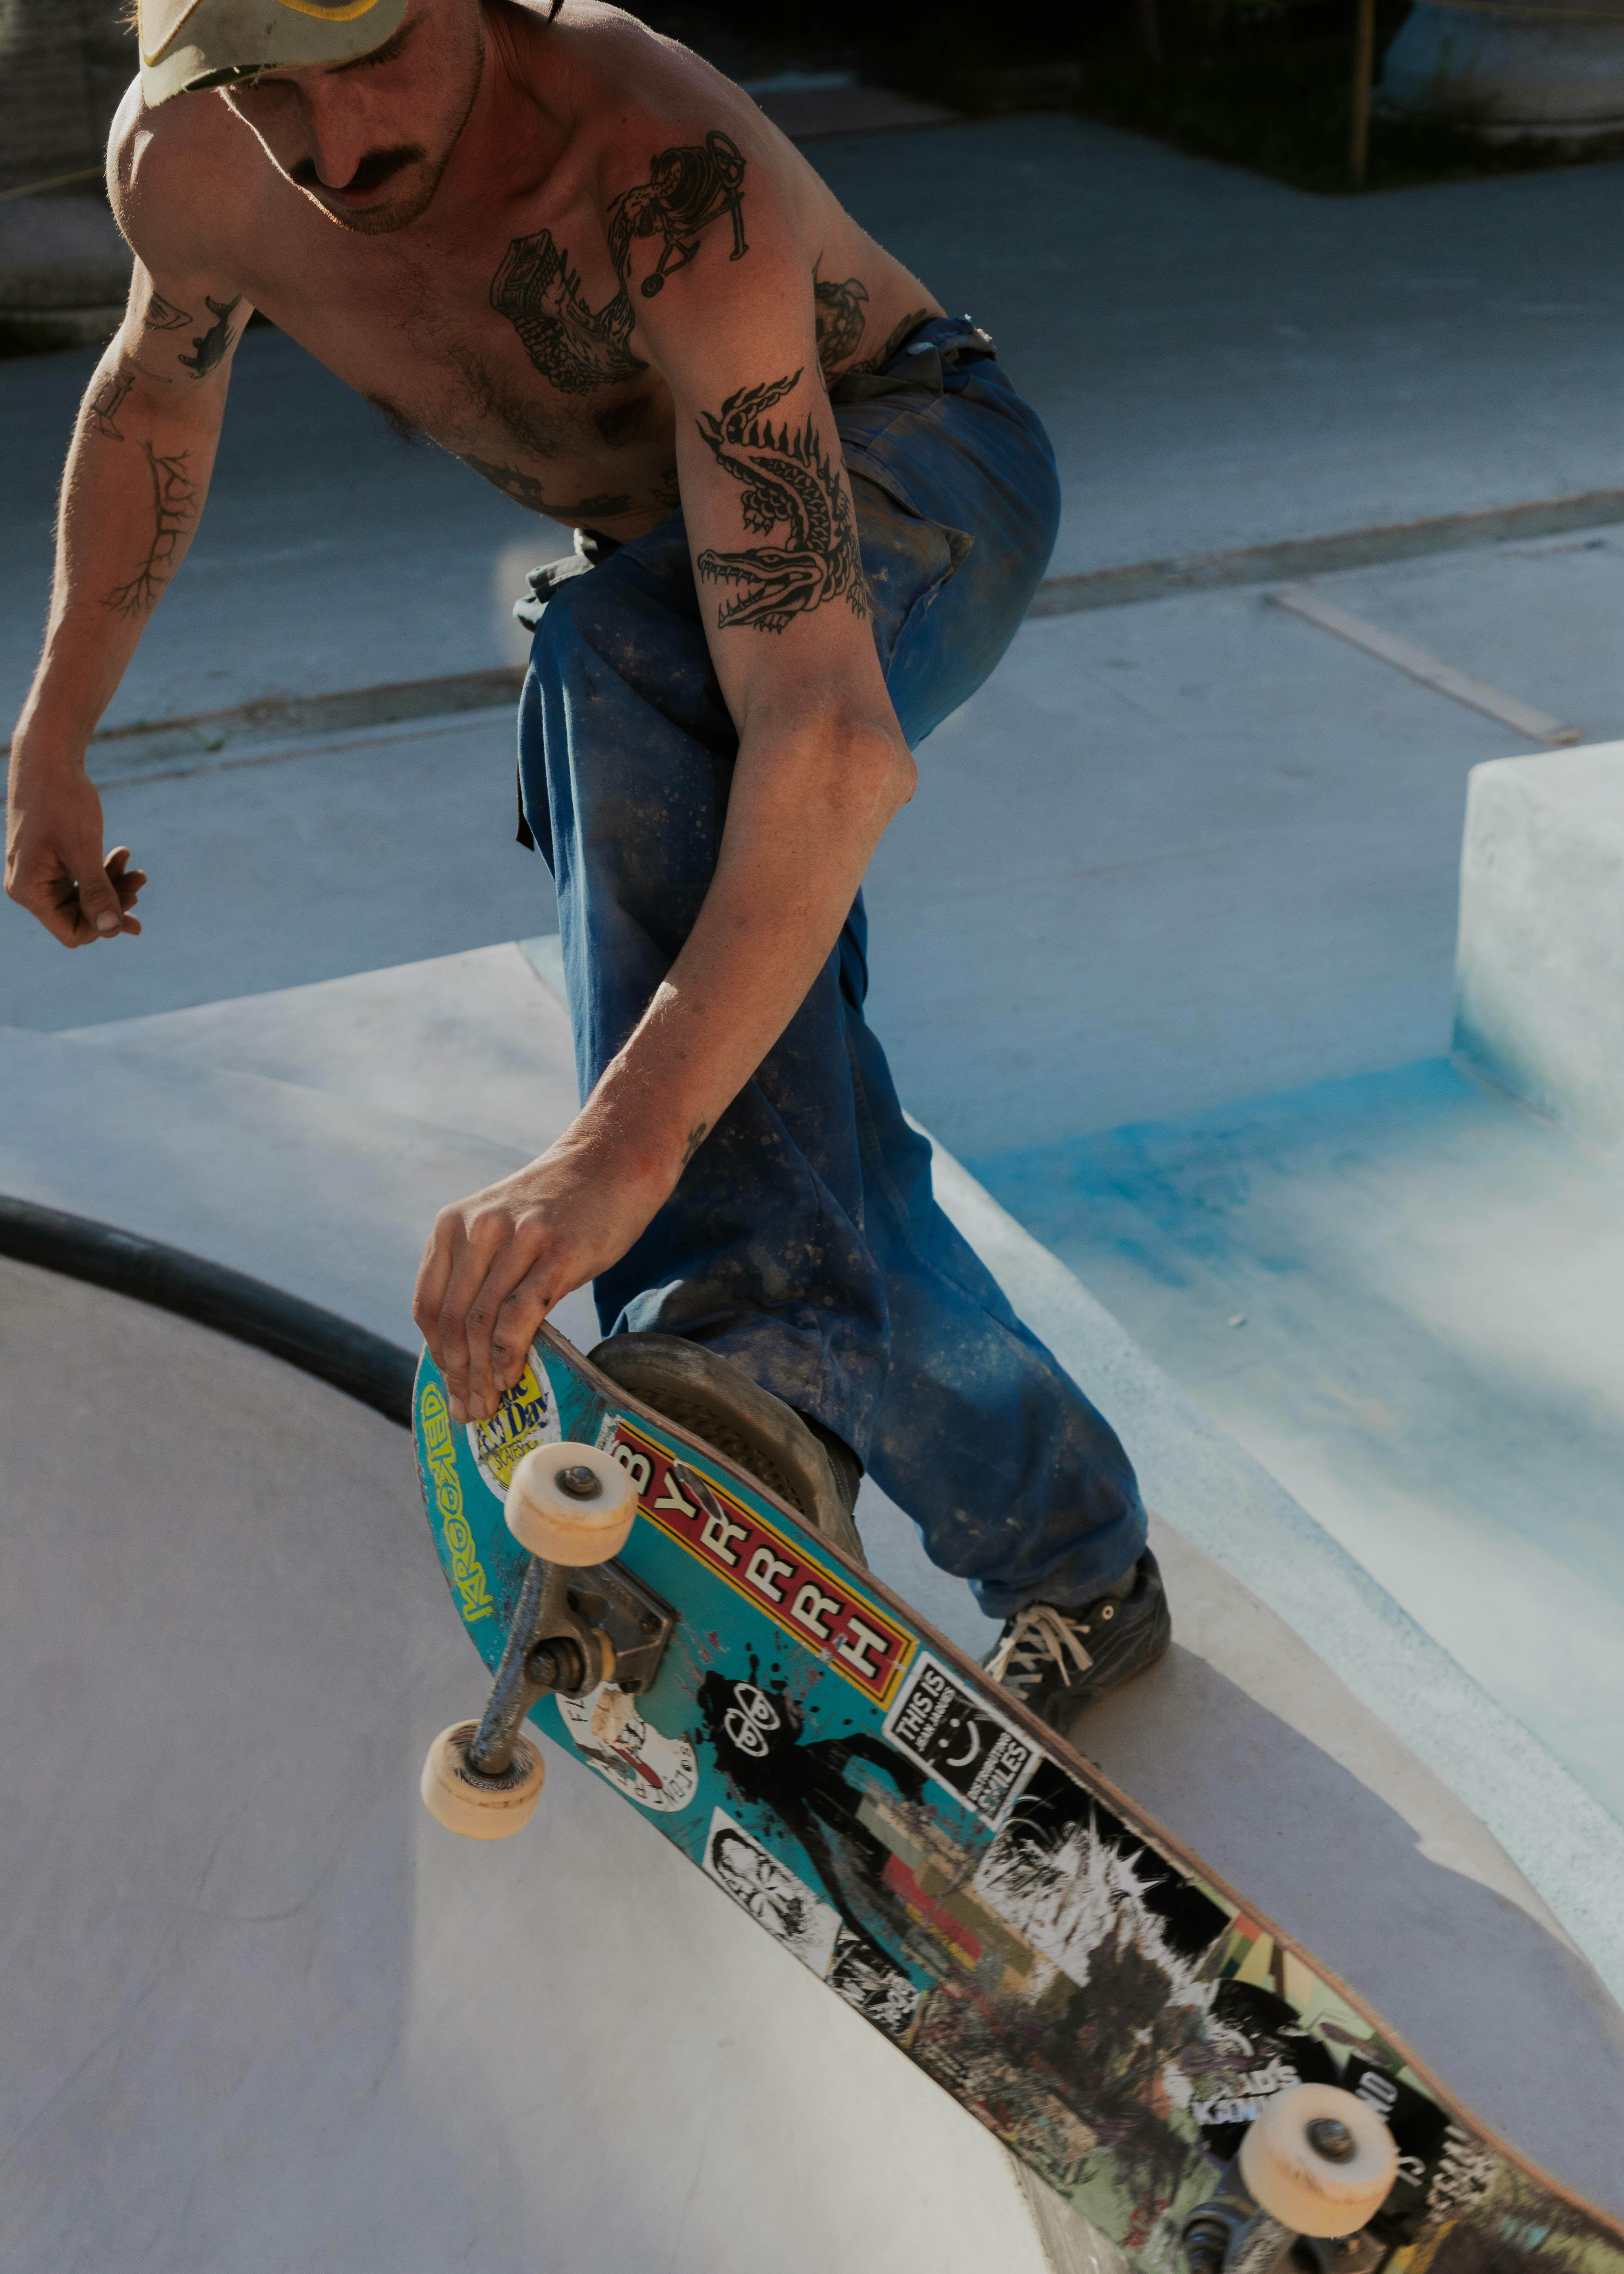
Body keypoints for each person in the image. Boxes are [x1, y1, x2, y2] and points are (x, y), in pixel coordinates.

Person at [2, 0, 1169, 1737]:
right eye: (266, 94)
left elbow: (829, 737)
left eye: (367, 66)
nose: (332, 152)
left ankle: (757, 1374)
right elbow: (156, 396)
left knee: (616, 665)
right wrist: (52, 736)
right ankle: (1060, 1541)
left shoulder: (659, 169)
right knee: (780, 1060)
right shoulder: (188, 159)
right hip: (657, 559)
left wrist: (612, 1161)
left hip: (919, 457)